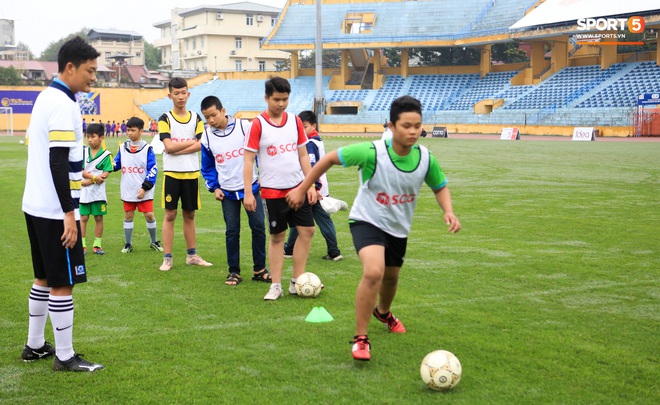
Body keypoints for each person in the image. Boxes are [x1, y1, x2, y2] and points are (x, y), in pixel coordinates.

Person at [286, 96, 461, 361]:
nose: (413, 131)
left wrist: (448, 211)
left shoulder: (426, 158)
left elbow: (439, 186)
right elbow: (330, 159)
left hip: (398, 229)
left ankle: (383, 312)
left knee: (390, 279)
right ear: (391, 126)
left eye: (417, 125)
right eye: (406, 125)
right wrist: (303, 188)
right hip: (366, 221)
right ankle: (361, 338)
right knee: (374, 272)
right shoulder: (372, 152)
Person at [21, 36, 105, 372]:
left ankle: (36, 345)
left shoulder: (46, 96)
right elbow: (57, 161)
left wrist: (79, 171)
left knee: (43, 277)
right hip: (55, 210)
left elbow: (56, 158)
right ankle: (65, 357)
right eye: (90, 70)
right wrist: (70, 215)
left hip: (35, 204)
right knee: (63, 282)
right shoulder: (65, 104)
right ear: (70, 67)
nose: (93, 77)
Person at [243, 76, 316, 300]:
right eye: (276, 99)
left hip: (297, 188)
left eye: (285, 99)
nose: (281, 104)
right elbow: (248, 160)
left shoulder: (295, 121)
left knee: (307, 231)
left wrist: (310, 184)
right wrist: (248, 191)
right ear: (266, 98)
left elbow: (303, 155)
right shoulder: (257, 124)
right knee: (277, 237)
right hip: (273, 192)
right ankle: (276, 285)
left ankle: (297, 280)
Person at [200, 96, 269, 286]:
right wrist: (214, 187)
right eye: (207, 117)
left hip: (251, 188)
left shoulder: (244, 127)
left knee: (258, 228)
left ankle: (259, 269)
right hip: (227, 193)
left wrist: (262, 175)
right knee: (232, 231)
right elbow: (207, 166)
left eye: (213, 115)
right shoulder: (206, 136)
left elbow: (259, 152)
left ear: (223, 111)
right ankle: (234, 272)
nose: (211, 120)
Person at [158, 77, 211, 271]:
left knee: (189, 215)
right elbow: (169, 145)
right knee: (170, 215)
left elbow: (201, 144)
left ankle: (192, 256)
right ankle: (167, 258)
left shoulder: (196, 117)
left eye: (183, 93)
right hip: (172, 174)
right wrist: (186, 145)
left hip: (191, 174)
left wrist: (175, 149)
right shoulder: (165, 118)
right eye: (176, 93)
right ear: (170, 95)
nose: (180, 97)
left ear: (188, 94)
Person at [284, 111, 343, 261]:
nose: (302, 131)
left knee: (299, 219)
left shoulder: (310, 143)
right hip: (320, 187)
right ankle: (334, 251)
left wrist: (313, 188)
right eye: (300, 128)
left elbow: (310, 167)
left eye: (305, 127)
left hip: (311, 189)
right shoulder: (318, 140)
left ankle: (289, 249)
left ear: (314, 126)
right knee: (323, 220)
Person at [112, 117, 163, 254]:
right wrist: (107, 164)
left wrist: (144, 187)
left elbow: (153, 169)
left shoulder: (147, 149)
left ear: (141, 131)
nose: (130, 133)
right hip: (128, 189)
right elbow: (116, 164)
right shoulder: (122, 147)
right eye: (128, 130)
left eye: (133, 130)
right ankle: (128, 244)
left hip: (143, 190)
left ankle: (153, 241)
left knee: (149, 215)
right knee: (128, 215)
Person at [79, 123, 112, 255]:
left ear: (101, 137)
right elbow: (81, 171)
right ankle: (82, 245)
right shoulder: (84, 152)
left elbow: (105, 174)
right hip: (84, 192)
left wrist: (90, 181)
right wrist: (92, 178)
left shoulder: (106, 155)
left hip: (98, 193)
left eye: (93, 137)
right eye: (88, 137)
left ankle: (97, 245)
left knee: (98, 217)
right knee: (83, 217)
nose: (90, 140)